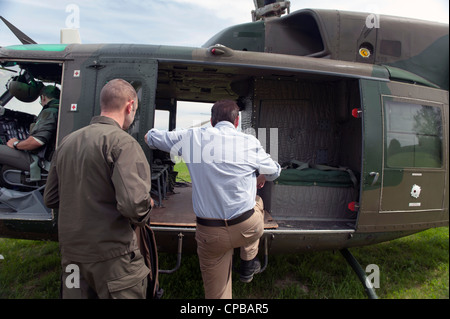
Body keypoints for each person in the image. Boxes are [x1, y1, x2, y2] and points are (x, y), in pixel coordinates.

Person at [145, 99, 280, 299]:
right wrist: (261, 176)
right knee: (256, 203)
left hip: (210, 233)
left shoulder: (191, 137)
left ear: (211, 120)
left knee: (217, 295)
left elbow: (151, 137)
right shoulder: (250, 142)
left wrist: (150, 134)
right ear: (236, 122)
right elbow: (275, 171)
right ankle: (248, 261)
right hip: (247, 228)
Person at [44, 79, 154, 299]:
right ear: (129, 106)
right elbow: (134, 207)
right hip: (112, 259)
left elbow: (51, 198)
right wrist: (147, 205)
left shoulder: (67, 142)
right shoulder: (123, 143)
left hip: (72, 259)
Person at [0, 85, 60, 177]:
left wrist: (15, 144)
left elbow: (37, 141)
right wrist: (5, 112)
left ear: (43, 97)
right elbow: (34, 119)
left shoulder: (50, 112)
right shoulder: (58, 110)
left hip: (40, 161)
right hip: (47, 159)